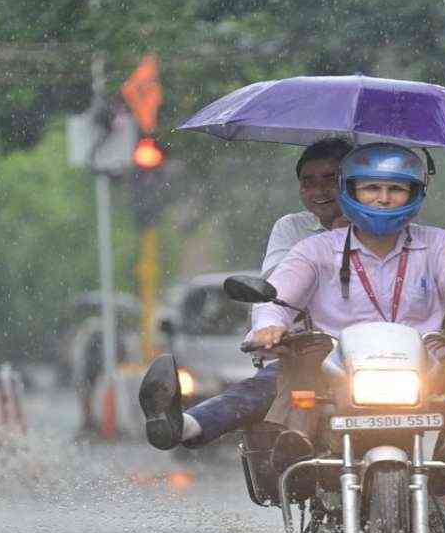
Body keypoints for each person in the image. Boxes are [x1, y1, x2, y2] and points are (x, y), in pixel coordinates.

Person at [144, 142, 445, 474]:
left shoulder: (436, 243)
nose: (383, 199)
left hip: (422, 362)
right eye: (371, 188)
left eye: (396, 189)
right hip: (335, 359)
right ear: (350, 190)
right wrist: (269, 328)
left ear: (416, 194)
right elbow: (278, 297)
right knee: (299, 353)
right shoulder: (310, 245)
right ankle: (298, 450)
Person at [140, 138, 352, 450]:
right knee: (268, 385)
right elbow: (279, 291)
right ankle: (184, 424)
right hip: (310, 350)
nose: (320, 191)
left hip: (387, 359)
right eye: (309, 182)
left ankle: (444, 468)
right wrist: (270, 325)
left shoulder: (410, 237)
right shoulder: (294, 231)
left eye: (331, 180)